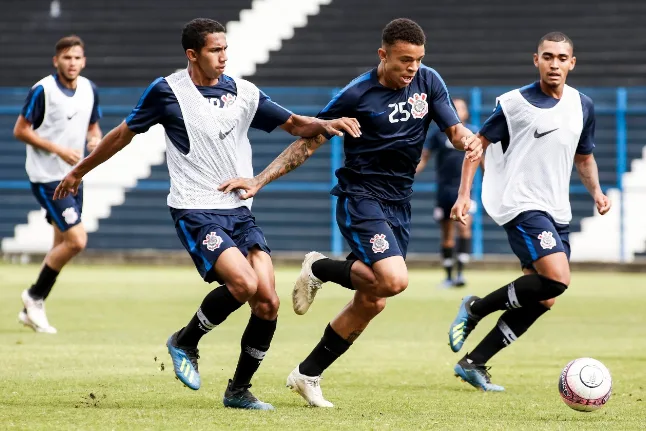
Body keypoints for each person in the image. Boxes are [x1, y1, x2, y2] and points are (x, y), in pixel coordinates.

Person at [54, 18, 360, 410]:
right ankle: (184, 341)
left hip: (239, 210)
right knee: (245, 284)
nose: (223, 57)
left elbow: (293, 123)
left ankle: (238, 391)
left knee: (268, 302)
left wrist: (325, 123)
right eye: (215, 50)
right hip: (196, 208)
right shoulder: (167, 92)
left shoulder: (243, 92)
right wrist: (79, 170)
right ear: (192, 54)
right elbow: (121, 135)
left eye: (225, 49)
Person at [219, 18, 483, 407]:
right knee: (393, 281)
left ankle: (307, 374)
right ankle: (320, 268)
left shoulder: (429, 82)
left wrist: (464, 139)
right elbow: (307, 143)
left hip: (399, 202)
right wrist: (259, 180)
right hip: (361, 197)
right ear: (383, 54)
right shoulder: (356, 95)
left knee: (372, 299)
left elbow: (454, 130)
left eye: (418, 60)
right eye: (405, 60)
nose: (412, 68)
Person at [448, 31, 611, 391]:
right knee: (558, 278)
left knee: (545, 296)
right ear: (536, 60)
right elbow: (476, 147)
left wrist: (597, 191)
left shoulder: (583, 105)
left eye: (561, 58)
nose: (554, 64)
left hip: (556, 209)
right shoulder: (514, 104)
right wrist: (463, 195)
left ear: (572, 63)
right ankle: (475, 308)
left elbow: (584, 157)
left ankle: (474, 362)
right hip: (519, 203)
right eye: (547, 57)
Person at [13, 35, 102, 334]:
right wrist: (59, 149)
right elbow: (21, 130)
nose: (72, 63)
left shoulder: (90, 89)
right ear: (56, 61)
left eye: (77, 57)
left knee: (60, 245)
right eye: (66, 57)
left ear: (84, 60)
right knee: (77, 241)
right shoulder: (43, 90)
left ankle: (32, 309)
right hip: (47, 176)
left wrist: (94, 139)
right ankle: (34, 296)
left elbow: (93, 125)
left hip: (74, 177)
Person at [416, 98, 478, 288]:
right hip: (444, 190)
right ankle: (449, 276)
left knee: (465, 227)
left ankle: (461, 273)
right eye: (455, 108)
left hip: (465, 191)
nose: (458, 111)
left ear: (466, 113)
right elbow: (424, 158)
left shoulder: (473, 133)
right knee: (447, 232)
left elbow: (480, 159)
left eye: (462, 108)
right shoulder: (438, 134)